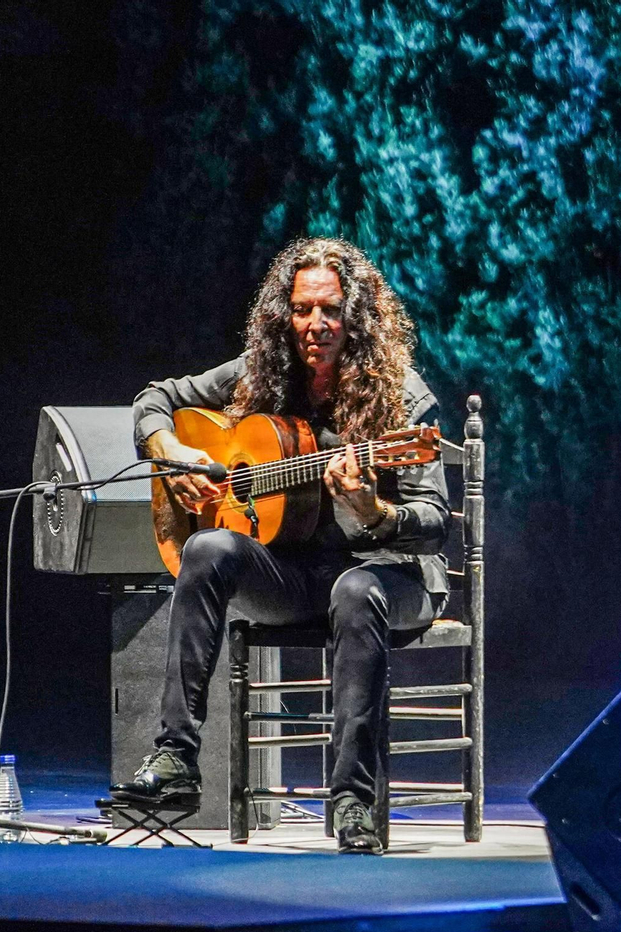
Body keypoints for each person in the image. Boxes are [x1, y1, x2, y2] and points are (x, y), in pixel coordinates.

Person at [112, 236, 450, 854]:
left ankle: (352, 801)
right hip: (298, 575)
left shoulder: (401, 394)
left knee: (356, 589)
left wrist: (374, 512)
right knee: (208, 549)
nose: (314, 324)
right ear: (282, 314)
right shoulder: (263, 373)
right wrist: (174, 452)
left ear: (358, 315)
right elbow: (155, 400)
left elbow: (433, 520)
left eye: (329, 309)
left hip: (391, 577)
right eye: (301, 309)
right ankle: (176, 758)